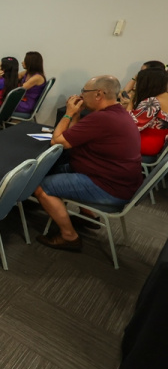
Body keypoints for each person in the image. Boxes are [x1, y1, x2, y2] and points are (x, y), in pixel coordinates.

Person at [35, 75, 143, 251]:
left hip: (109, 187)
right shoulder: (117, 112)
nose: (81, 95)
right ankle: (87, 214)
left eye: (84, 92)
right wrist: (77, 115)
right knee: (51, 168)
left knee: (40, 187)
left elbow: (57, 141)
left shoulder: (101, 119)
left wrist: (69, 113)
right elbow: (73, 138)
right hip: (117, 179)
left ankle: (69, 237)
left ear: (99, 94)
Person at [126, 68, 168, 156]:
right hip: (159, 143)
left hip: (145, 144)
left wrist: (130, 102)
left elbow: (129, 125)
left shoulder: (153, 101)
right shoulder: (165, 97)